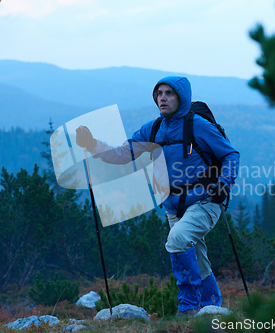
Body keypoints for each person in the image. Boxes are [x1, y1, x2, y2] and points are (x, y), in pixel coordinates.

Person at [76, 76, 239, 316]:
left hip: (206, 201)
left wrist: (224, 183)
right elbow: (123, 153)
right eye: (159, 93)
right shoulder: (153, 129)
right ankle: (212, 307)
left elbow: (230, 154)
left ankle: (188, 308)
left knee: (178, 241)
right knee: (197, 258)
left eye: (169, 93)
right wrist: (92, 145)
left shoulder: (198, 125)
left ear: (181, 97)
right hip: (173, 206)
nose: (162, 98)